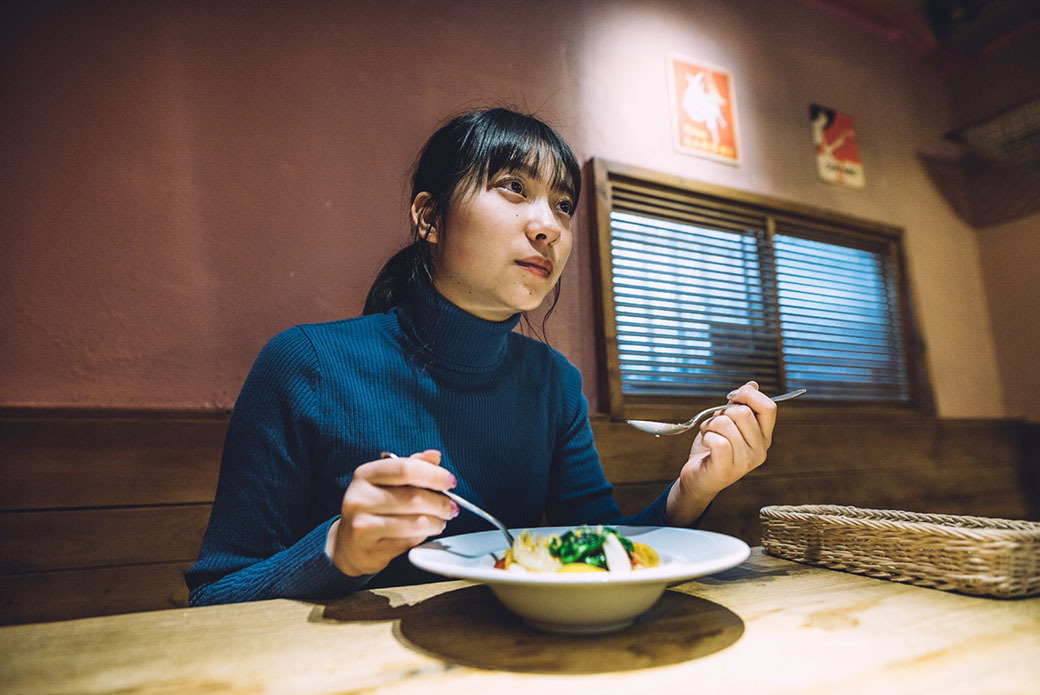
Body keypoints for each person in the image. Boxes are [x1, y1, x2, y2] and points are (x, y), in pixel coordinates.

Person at [185, 107, 777, 605]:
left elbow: (599, 545)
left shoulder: (552, 382)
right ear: (429, 217)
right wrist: (337, 551)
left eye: (563, 205)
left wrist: (691, 490)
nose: (549, 226)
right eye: (514, 187)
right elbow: (213, 596)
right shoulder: (305, 364)